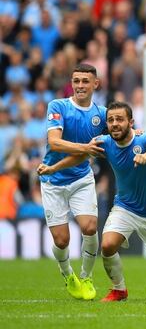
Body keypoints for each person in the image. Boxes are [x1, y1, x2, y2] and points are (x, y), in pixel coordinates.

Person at [39, 102, 146, 302]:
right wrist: (53, 168)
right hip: (125, 207)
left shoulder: (144, 138)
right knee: (107, 246)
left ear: (130, 122)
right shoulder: (104, 142)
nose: (115, 124)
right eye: (111, 120)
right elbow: (80, 156)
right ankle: (119, 289)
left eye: (120, 119)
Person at [41, 63, 107, 301]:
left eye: (85, 81)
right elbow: (55, 142)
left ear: (95, 84)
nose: (80, 86)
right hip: (52, 180)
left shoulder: (101, 114)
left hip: (81, 178)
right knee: (62, 240)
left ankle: (86, 276)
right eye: (76, 81)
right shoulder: (58, 106)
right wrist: (86, 148)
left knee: (90, 228)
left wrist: (137, 133)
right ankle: (67, 273)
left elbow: (122, 130)